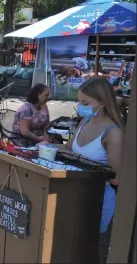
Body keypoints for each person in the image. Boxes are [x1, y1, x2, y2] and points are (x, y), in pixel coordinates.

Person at [42, 76, 124, 262]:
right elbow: (68, 149)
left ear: (102, 102)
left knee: (87, 251)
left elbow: (115, 178)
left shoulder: (114, 133)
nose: (80, 106)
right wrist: (44, 147)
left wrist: (78, 158)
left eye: (85, 102)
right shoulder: (84, 122)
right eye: (79, 101)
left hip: (97, 202)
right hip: (73, 196)